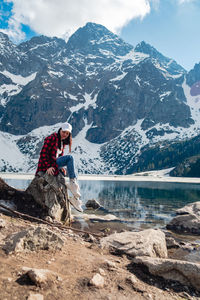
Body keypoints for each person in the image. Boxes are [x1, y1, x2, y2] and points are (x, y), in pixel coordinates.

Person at [36, 122, 83, 212]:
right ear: (60, 130)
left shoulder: (62, 142)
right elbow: (43, 153)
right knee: (70, 158)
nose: (65, 134)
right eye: (64, 132)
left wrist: (60, 167)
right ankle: (73, 186)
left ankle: (75, 199)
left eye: (67, 133)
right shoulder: (52, 138)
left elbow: (58, 157)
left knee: (70, 170)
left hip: (54, 164)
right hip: (46, 165)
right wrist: (48, 167)